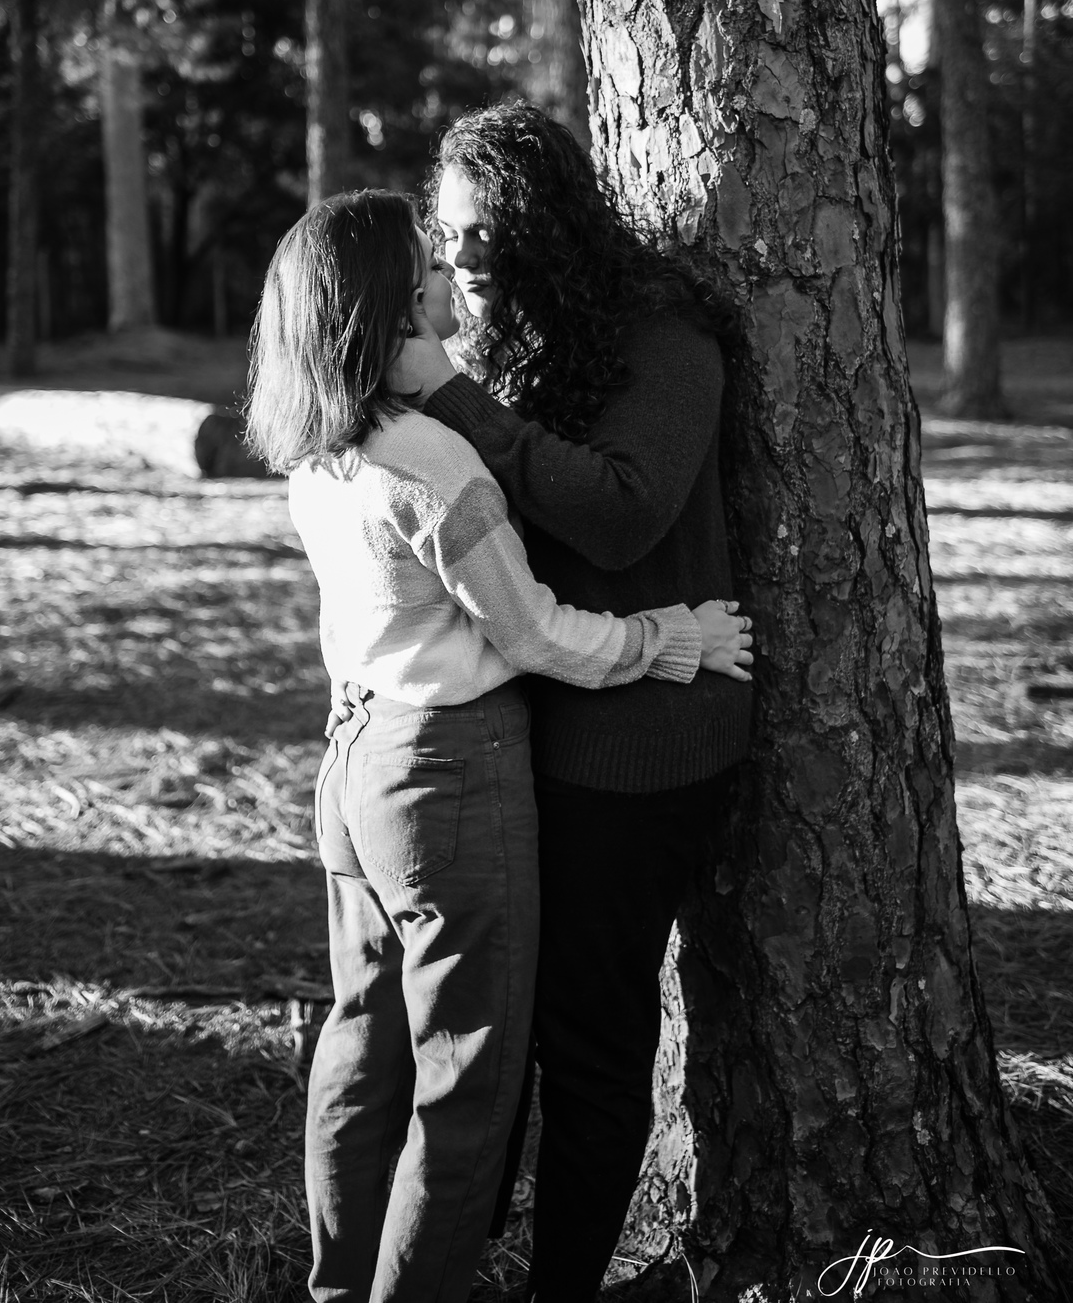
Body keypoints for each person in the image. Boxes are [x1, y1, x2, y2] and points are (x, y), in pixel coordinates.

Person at [244, 189, 752, 1303]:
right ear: (390, 308)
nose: (450, 274)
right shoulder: (437, 461)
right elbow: (531, 634)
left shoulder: (320, 446)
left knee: (364, 1046)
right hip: (446, 773)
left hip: (354, 754)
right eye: (428, 264)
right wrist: (670, 636)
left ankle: (340, 1286)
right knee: (466, 1081)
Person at [388, 102, 755, 1302]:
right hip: (531, 726)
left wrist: (453, 395)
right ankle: (459, 1255)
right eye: (447, 233)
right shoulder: (512, 340)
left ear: (548, 223)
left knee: (591, 1038)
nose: (462, 256)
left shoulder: (664, 335)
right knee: (506, 1022)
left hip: (641, 749)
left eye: (484, 230)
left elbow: (620, 511)